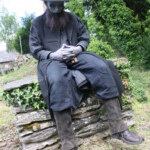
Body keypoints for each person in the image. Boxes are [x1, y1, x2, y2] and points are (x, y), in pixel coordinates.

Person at [29, 0, 144, 149]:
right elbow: (35, 48)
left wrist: (78, 48)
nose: (57, 10)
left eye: (60, 6)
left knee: (102, 67)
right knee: (57, 80)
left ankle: (119, 129)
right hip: (53, 60)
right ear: (46, 3)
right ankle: (69, 144)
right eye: (53, 6)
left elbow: (84, 36)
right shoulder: (37, 23)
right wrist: (52, 54)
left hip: (76, 56)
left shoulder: (72, 18)